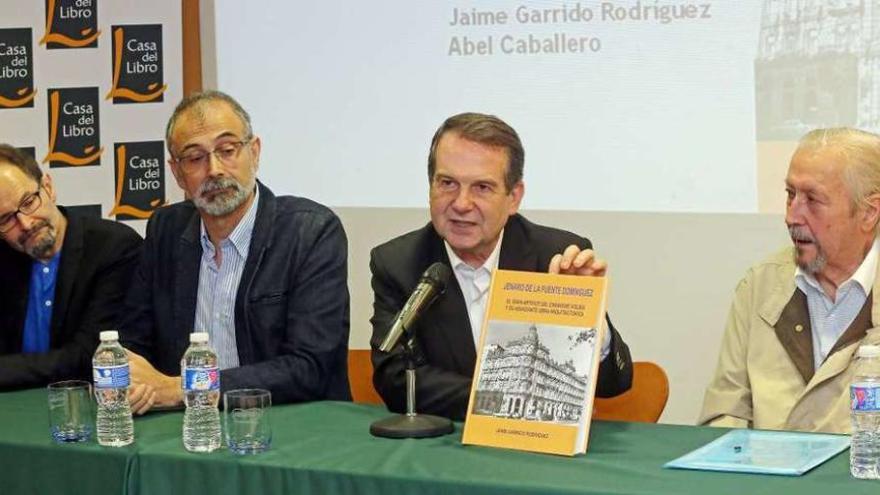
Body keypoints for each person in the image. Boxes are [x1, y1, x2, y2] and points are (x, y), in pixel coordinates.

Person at [369, 112, 633, 420]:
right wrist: (508, 400)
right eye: (447, 183)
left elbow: (615, 383)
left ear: (514, 197)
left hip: (536, 454)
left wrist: (588, 319)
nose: (461, 203)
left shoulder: (556, 256)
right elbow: (396, 381)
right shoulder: (399, 264)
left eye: (482, 187)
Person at [120, 90, 351, 413]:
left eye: (227, 150)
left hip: (291, 429)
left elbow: (310, 367)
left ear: (254, 153)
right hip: (193, 432)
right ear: (176, 173)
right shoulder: (166, 231)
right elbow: (133, 343)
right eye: (195, 158)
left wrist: (184, 388)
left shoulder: (310, 232)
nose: (214, 169)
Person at [700, 127, 880, 433]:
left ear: (868, 213)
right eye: (790, 195)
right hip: (764, 479)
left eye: (812, 199)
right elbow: (724, 412)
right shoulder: (761, 286)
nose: (791, 216)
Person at [0, 144, 141, 390]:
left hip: (88, 407)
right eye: (5, 219)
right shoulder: (5, 259)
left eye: (29, 202)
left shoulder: (113, 248)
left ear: (48, 187)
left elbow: (89, 357)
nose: (25, 223)